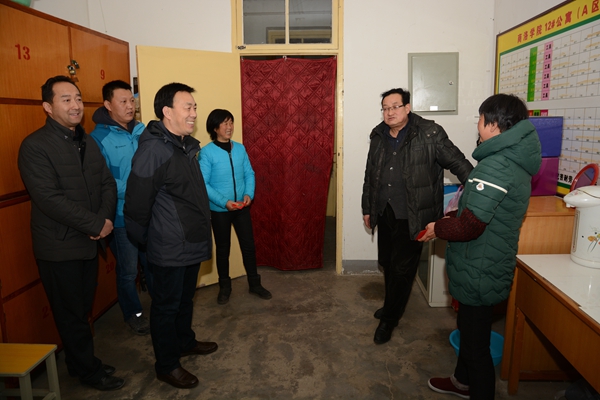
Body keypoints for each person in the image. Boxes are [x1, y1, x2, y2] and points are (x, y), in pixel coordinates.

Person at [422, 94, 541, 400]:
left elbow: (471, 226)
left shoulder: (497, 165)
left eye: (480, 118)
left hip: (480, 267)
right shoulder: (510, 160)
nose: (477, 124)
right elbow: (483, 212)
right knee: (469, 330)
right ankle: (462, 382)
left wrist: (438, 228)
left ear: (494, 124)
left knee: (476, 348)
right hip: (486, 260)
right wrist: (452, 217)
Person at [17, 75, 124, 391]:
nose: (75, 105)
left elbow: (107, 183)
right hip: (59, 246)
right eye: (66, 99)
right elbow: (48, 198)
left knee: (82, 309)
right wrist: (96, 225)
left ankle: (80, 363)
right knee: (71, 314)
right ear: (48, 107)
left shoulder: (87, 141)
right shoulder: (35, 146)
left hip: (90, 241)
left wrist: (104, 219)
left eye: (77, 98)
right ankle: (89, 371)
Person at [361, 88, 473, 345]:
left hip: (413, 215)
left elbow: (459, 163)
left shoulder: (430, 133)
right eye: (385, 108)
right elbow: (370, 175)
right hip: (385, 211)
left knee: (402, 269)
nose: (390, 112)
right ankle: (391, 305)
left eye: (395, 106)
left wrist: (478, 189)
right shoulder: (379, 135)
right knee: (388, 263)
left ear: (408, 108)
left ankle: (389, 319)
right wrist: (368, 208)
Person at [124, 83, 217, 389]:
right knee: (166, 307)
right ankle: (166, 365)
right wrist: (150, 241)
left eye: (194, 107)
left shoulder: (184, 145)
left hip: (190, 241)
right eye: (187, 107)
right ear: (167, 111)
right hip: (169, 245)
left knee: (185, 299)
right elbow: (137, 204)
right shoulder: (155, 149)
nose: (194, 113)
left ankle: (184, 341)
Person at [90, 80, 153, 336]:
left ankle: (160, 307)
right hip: (121, 217)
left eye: (132, 100)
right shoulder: (98, 139)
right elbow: (103, 182)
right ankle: (133, 314)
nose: (130, 106)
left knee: (154, 263)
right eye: (123, 101)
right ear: (108, 104)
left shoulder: (143, 130)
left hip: (150, 213)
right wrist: (141, 187)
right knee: (128, 271)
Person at [199, 109, 272, 305]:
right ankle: (225, 287)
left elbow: (249, 173)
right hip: (220, 210)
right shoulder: (206, 152)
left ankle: (255, 284)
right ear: (215, 128)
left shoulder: (240, 149)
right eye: (224, 123)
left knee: (249, 246)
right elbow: (203, 183)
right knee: (223, 249)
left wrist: (249, 194)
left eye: (231, 122)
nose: (229, 126)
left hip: (241, 208)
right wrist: (224, 202)